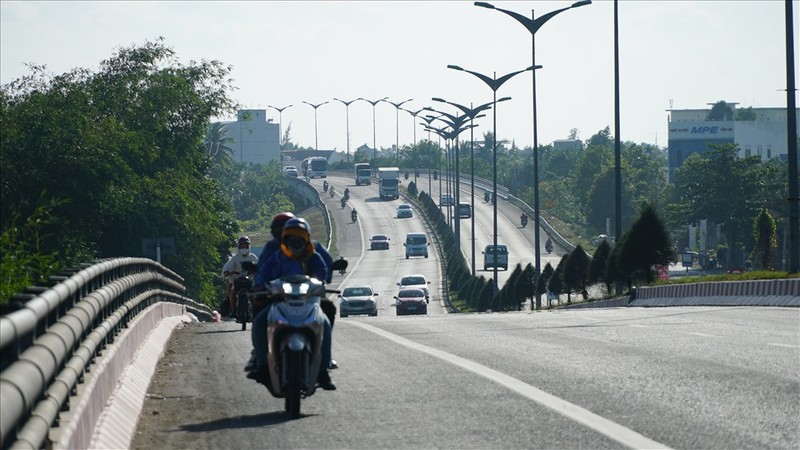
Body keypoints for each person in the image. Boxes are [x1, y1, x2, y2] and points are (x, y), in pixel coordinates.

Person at [249, 218, 336, 390]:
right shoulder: (278, 256)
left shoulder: (314, 255)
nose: (295, 243)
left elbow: (323, 272)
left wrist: (319, 284)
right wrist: (260, 284)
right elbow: (263, 272)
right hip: (280, 301)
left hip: (309, 301)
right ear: (285, 239)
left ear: (306, 239)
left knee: (324, 324)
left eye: (299, 238)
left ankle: (323, 369)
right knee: (259, 322)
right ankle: (262, 363)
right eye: (291, 238)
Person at [222, 236, 258, 317]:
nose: (244, 248)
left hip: (249, 281)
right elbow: (226, 268)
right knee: (232, 289)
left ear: (249, 247)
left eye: (246, 246)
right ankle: (234, 310)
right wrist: (227, 272)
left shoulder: (252, 257)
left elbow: (260, 266)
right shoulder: (235, 258)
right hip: (237, 281)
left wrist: (254, 270)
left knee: (254, 293)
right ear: (239, 247)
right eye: (242, 246)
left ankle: (255, 309)